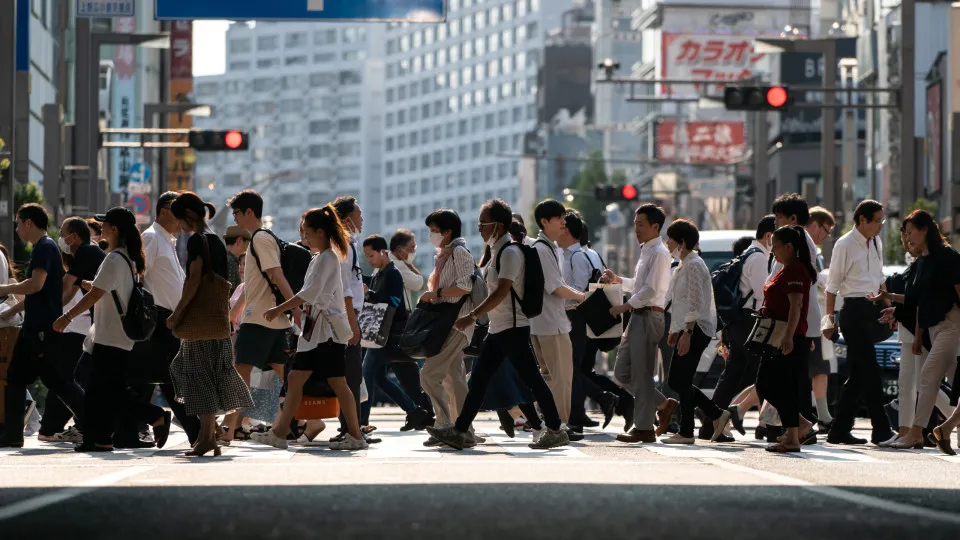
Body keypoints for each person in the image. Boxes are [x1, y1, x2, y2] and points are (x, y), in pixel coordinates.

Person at [426, 199, 569, 450]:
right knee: (479, 381)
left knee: (532, 380)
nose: (479, 228)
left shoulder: (511, 253)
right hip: (499, 328)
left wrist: (472, 315)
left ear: (499, 226)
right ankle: (460, 431)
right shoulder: (496, 253)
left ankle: (556, 428)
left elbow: (502, 291)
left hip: (513, 328)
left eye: (484, 224)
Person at [53, 207, 171, 452]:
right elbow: (104, 288)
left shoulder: (115, 258)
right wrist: (91, 285)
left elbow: (96, 294)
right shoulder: (126, 258)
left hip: (111, 335)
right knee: (100, 391)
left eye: (105, 225)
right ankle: (101, 439)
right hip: (114, 334)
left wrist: (66, 317)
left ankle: (154, 416)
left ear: (115, 229)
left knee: (107, 390)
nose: (102, 228)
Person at [255, 205, 367, 451]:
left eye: (306, 232)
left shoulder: (328, 258)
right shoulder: (320, 258)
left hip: (325, 333)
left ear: (320, 232)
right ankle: (280, 432)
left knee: (338, 384)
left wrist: (278, 308)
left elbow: (311, 293)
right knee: (296, 379)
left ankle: (356, 436)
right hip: (314, 333)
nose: (303, 236)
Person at [167, 192, 254, 457]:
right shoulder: (216, 240)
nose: (179, 226)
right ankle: (208, 437)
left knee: (195, 375)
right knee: (207, 376)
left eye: (180, 220)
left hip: (200, 322)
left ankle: (206, 438)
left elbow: (194, 280)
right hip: (218, 320)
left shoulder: (197, 240)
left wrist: (177, 313)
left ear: (189, 216)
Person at [871, 210, 960, 450]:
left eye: (911, 232)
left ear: (925, 230)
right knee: (955, 383)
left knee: (927, 377)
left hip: (953, 325)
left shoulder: (948, 257)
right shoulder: (922, 262)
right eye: (906, 233)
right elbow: (917, 301)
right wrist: (919, 334)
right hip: (933, 330)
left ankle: (916, 433)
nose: (908, 238)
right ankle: (946, 428)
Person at [0, 204, 85, 448]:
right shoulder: (44, 247)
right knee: (16, 379)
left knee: (57, 382)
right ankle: (12, 434)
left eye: (18, 223)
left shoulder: (45, 247)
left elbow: (35, 285)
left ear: (29, 223)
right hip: (35, 328)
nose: (16, 228)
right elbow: (38, 291)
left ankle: (96, 423)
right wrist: (14, 309)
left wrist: (5, 289)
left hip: (42, 330)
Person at [220, 190, 298, 444]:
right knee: (287, 375)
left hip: (260, 318)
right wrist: (233, 315)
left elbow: (276, 274)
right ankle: (305, 420)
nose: (235, 219)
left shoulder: (261, 239)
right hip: (270, 318)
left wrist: (293, 305)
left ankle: (227, 430)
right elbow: (253, 285)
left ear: (249, 212)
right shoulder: (259, 239)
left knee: (239, 371)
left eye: (237, 213)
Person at [823, 199, 895, 445]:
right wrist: (829, 320)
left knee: (858, 373)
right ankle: (881, 428)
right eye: (877, 221)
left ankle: (839, 430)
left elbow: (880, 277)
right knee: (870, 370)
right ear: (862, 220)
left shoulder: (876, 241)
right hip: (853, 311)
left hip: (873, 309)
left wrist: (889, 308)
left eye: (881, 220)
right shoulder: (844, 245)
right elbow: (832, 288)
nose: (880, 226)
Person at [603, 204, 674, 443]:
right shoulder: (647, 251)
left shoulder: (660, 253)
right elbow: (639, 284)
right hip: (638, 314)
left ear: (656, 227)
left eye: (640, 224)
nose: (636, 229)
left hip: (649, 314)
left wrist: (625, 306)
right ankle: (662, 404)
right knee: (622, 372)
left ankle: (643, 428)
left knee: (642, 374)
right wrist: (618, 280)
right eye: (635, 224)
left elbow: (651, 289)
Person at [139, 191, 201, 447]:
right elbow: (140, 277)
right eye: (179, 214)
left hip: (171, 321)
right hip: (159, 319)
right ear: (164, 211)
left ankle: (187, 429)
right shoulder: (152, 238)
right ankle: (195, 431)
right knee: (168, 378)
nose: (182, 221)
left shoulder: (169, 241)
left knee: (167, 379)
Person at [36, 217, 106, 443]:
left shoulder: (86, 253)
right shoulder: (88, 254)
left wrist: (58, 316)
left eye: (63, 232)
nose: (61, 238)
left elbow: (65, 287)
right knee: (94, 379)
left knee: (72, 377)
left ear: (73, 237)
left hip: (104, 325)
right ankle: (95, 426)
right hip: (101, 324)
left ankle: (97, 426)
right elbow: (68, 291)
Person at [661, 219, 729, 444]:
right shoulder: (685, 264)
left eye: (670, 238)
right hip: (688, 328)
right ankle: (715, 416)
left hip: (696, 328)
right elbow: (678, 302)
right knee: (679, 379)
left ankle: (689, 429)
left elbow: (695, 302)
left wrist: (687, 332)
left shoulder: (693, 264)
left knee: (679, 379)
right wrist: (675, 330)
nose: (667, 243)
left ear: (681, 241)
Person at [359, 234, 433, 431]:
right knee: (378, 378)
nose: (369, 259)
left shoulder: (393, 273)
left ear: (383, 252)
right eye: (366, 256)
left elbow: (393, 302)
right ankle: (415, 412)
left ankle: (361, 423)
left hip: (388, 334)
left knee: (367, 376)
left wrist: (369, 294)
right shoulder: (379, 274)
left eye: (371, 255)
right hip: (380, 334)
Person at [710, 215, 775, 438]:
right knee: (766, 372)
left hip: (739, 321)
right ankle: (768, 426)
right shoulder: (758, 257)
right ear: (769, 236)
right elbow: (761, 294)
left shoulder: (752, 254)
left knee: (732, 375)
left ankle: (712, 423)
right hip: (749, 321)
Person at [755, 226, 818, 453]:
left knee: (779, 386)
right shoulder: (785, 269)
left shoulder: (796, 271)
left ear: (789, 247)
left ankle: (794, 434)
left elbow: (796, 307)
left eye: (776, 247)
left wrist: (790, 336)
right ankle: (797, 426)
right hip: (776, 336)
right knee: (768, 384)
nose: (773, 252)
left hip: (787, 337)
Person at [529, 200, 587, 440]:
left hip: (544, 322)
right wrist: (580, 295)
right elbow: (555, 287)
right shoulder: (543, 249)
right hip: (552, 324)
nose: (564, 222)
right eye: (559, 218)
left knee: (549, 378)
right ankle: (559, 426)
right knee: (562, 378)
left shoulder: (545, 247)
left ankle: (550, 423)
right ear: (545, 221)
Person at [418, 209, 475, 446]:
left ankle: (444, 425)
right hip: (448, 321)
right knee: (455, 379)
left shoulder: (459, 253)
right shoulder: (443, 254)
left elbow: (465, 287)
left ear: (448, 231)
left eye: (434, 231)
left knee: (429, 374)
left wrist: (437, 293)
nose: (431, 235)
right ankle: (465, 430)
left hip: (457, 323)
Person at [332, 196, 367, 444]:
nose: (361, 219)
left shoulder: (348, 244)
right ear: (346, 219)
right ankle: (352, 431)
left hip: (347, 315)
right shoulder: (343, 245)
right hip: (346, 317)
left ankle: (350, 428)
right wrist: (353, 324)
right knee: (351, 377)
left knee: (349, 377)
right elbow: (344, 289)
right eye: (358, 215)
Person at [224, 224, 251, 293]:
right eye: (248, 243)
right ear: (239, 241)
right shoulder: (231, 262)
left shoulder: (223, 257)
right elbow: (231, 292)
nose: (248, 248)